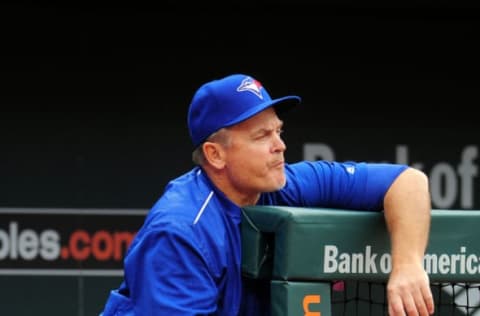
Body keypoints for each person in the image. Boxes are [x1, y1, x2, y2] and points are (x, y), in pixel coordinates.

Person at [100, 73, 434, 316]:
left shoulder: (286, 184)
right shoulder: (181, 231)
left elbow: (409, 182)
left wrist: (407, 266)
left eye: (279, 131)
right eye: (262, 136)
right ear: (216, 155)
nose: (280, 146)